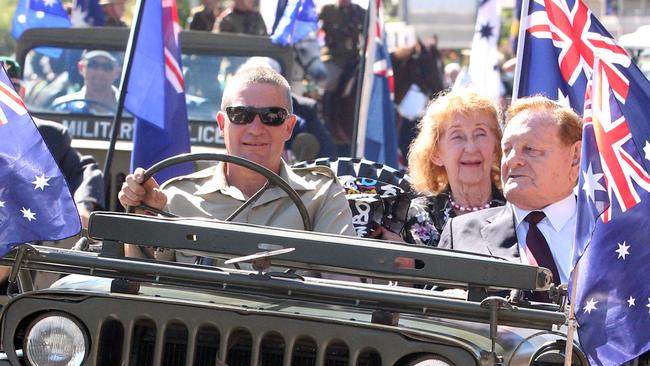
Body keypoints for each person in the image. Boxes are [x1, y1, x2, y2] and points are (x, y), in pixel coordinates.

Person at [118, 66, 355, 263]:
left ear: (289, 127)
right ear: (222, 124)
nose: (256, 129)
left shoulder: (320, 195)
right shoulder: (176, 197)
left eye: (272, 116)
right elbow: (145, 282)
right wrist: (143, 219)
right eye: (241, 115)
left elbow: (343, 281)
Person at [438, 96, 582, 289]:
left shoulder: (610, 232)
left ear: (575, 156)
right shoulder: (462, 234)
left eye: (530, 149)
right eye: (507, 150)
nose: (512, 161)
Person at [0, 57, 105, 290]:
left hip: (23, 260)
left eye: (11, 89)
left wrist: (84, 204)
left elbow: (84, 168)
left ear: (22, 93)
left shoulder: (47, 136)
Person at [378, 91, 504, 246]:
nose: (471, 148)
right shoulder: (413, 217)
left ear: (496, 147)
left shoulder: (516, 213)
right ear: (435, 153)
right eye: (457, 136)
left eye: (480, 134)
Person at [51, 50, 120, 114]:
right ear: (81, 67)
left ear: (117, 71)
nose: (100, 72)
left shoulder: (128, 108)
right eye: (93, 65)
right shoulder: (63, 106)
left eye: (107, 66)